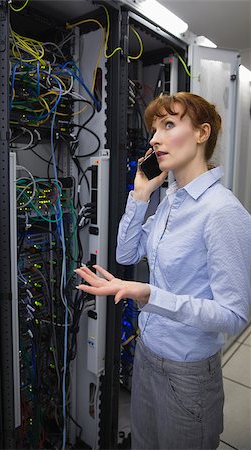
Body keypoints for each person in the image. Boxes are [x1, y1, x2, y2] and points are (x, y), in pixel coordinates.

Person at [74, 92, 251, 450]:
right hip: (148, 355)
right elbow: (126, 253)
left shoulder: (222, 213)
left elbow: (234, 315)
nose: (154, 138)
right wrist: (140, 194)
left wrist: (149, 295)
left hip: (188, 374)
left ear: (202, 134)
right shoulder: (170, 198)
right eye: (154, 128)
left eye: (169, 125)